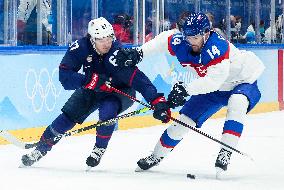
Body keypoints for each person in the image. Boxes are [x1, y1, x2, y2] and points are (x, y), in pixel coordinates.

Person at [115, 12, 265, 178]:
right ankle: (156, 156)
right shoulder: (184, 41)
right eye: (187, 36)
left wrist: (185, 90)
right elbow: (163, 40)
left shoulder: (217, 47)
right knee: (182, 122)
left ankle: (225, 152)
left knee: (238, 102)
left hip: (242, 80)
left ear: (206, 33)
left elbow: (213, 81)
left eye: (194, 37)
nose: (190, 41)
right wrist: (139, 53)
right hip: (212, 88)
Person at [21, 17, 171, 167]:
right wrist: (90, 81)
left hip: (119, 91)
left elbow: (138, 80)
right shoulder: (80, 48)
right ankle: (40, 149)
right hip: (92, 88)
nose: (107, 43)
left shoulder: (117, 54)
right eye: (101, 39)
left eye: (109, 38)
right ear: (91, 39)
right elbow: (65, 77)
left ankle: (99, 148)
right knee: (67, 117)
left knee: (108, 111)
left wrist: (156, 101)